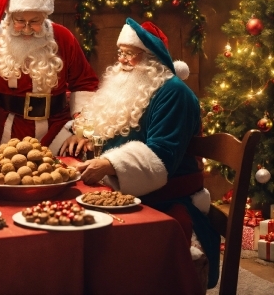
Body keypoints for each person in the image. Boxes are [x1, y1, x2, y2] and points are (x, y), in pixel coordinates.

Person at [60, 17, 220, 289]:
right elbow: (108, 125)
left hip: (165, 198)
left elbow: (161, 157)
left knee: (84, 232)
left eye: (129, 54)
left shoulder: (174, 94)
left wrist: (109, 163)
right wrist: (82, 133)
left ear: (151, 59)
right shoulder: (128, 86)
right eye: (120, 52)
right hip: (122, 191)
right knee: (67, 221)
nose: (121, 60)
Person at [0, 0, 99, 155]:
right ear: (10, 16)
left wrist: (82, 131)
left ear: (44, 16)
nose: (27, 29)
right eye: (20, 21)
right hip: (5, 132)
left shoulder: (63, 37)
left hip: (58, 130)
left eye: (35, 21)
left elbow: (84, 84)